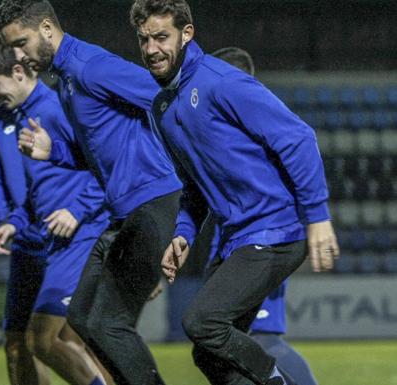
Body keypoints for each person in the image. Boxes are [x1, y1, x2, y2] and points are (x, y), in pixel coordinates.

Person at [130, 1, 339, 385]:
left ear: (186, 34)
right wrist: (183, 233)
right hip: (238, 238)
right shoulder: (162, 107)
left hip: (276, 229)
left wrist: (318, 216)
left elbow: (298, 138)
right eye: (144, 39)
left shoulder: (221, 81)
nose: (151, 48)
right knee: (208, 353)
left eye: (161, 37)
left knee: (201, 322)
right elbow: (194, 186)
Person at [0, 1, 183, 384]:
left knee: (108, 324)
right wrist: (55, 151)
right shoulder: (64, 80)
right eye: (11, 47)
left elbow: (164, 95)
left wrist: (188, 162)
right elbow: (98, 150)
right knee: (83, 320)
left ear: (47, 28)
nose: (18, 55)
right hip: (125, 209)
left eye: (21, 42)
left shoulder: (88, 66)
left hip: (151, 200)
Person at [0, 35, 111, 385]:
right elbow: (30, 190)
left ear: (18, 71)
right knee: (23, 342)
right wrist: (10, 223)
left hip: (79, 237)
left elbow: (108, 167)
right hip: (36, 239)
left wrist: (77, 210)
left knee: (62, 339)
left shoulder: (58, 107)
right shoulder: (5, 120)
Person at [212, 46, 318, 385]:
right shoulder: (223, 130)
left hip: (262, 245)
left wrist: (314, 221)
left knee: (258, 341)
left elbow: (301, 150)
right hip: (234, 246)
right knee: (224, 347)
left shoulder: (261, 129)